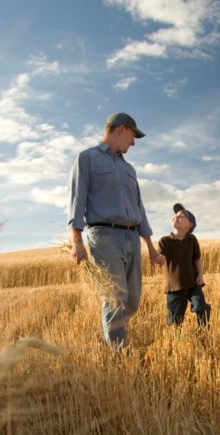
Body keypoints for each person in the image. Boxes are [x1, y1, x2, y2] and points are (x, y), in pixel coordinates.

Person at [68, 112, 165, 348]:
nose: (133, 143)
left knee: (132, 302)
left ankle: (109, 338)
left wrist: (150, 248)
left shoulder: (129, 169)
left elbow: (139, 208)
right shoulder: (86, 158)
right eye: (132, 136)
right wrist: (77, 241)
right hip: (104, 235)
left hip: (132, 236)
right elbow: (77, 200)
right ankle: (118, 355)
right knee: (115, 298)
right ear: (121, 129)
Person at [157, 203, 211, 328]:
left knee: (201, 307)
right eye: (175, 215)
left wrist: (200, 275)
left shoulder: (192, 239)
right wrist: (159, 258)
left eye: (181, 216)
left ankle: (203, 330)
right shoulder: (165, 241)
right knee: (175, 321)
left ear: (189, 225)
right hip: (174, 286)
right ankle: (176, 340)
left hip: (193, 283)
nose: (176, 217)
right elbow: (163, 256)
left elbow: (197, 259)